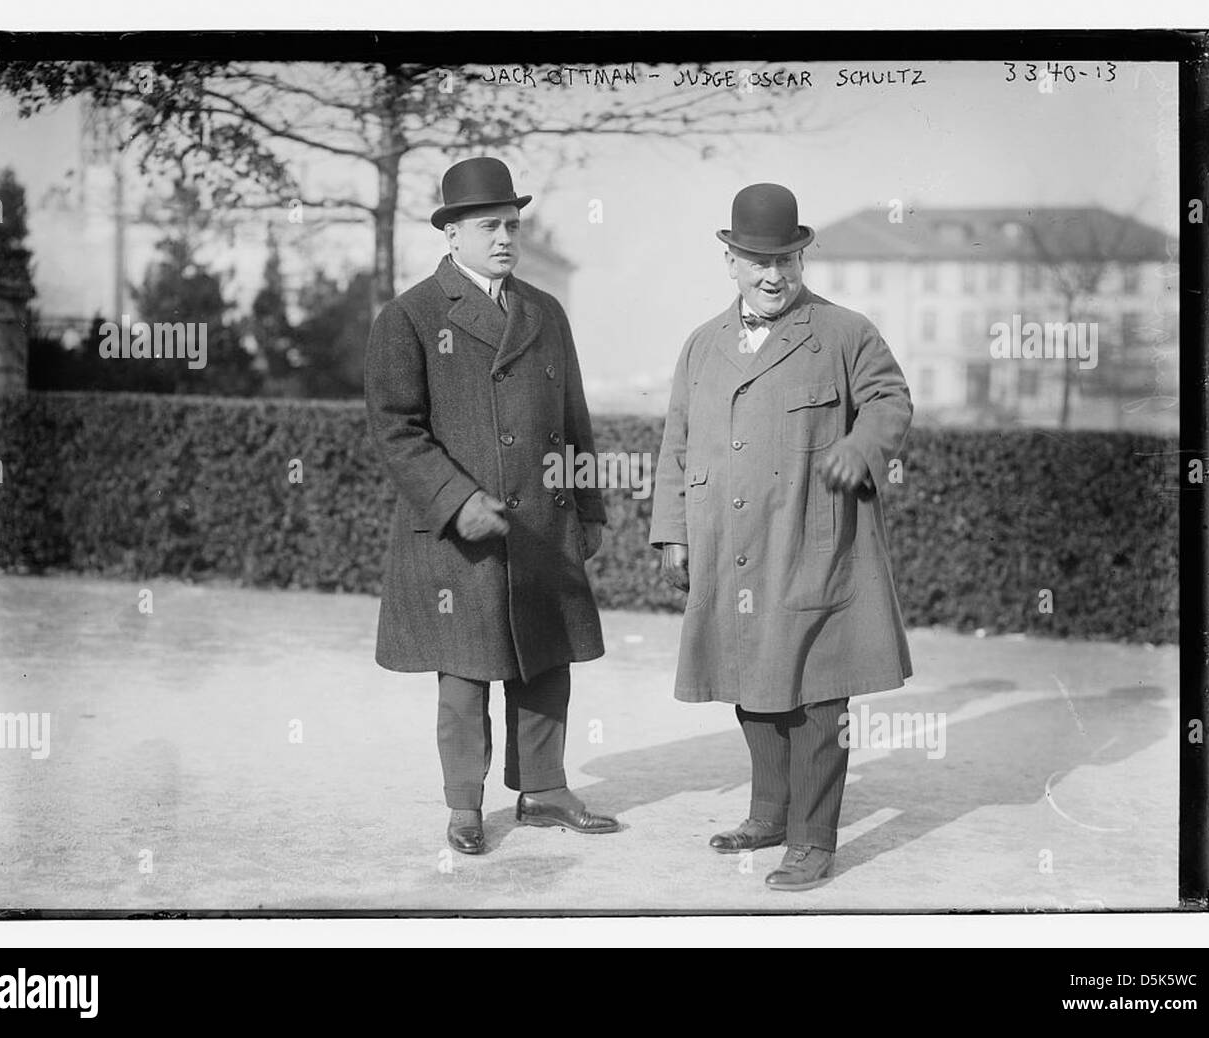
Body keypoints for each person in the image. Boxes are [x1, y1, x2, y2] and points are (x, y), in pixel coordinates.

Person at [649, 183, 913, 891]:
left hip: (814, 542)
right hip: (728, 545)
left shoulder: (844, 332)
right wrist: (673, 534)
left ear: (802, 258)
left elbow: (890, 399)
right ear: (729, 258)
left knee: (820, 696)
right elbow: (676, 442)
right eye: (758, 260)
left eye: (788, 260)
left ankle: (812, 839)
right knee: (748, 681)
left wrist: (861, 448)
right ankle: (770, 813)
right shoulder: (701, 346)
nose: (775, 275)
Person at [365, 156, 618, 855]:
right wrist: (456, 500)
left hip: (542, 521)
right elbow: (395, 428)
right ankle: (464, 805)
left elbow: (574, 417)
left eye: (512, 224)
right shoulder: (410, 316)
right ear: (451, 234)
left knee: (546, 659)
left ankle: (543, 790)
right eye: (488, 225)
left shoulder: (545, 311)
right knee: (466, 672)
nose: (505, 237)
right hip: (460, 533)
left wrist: (588, 508)